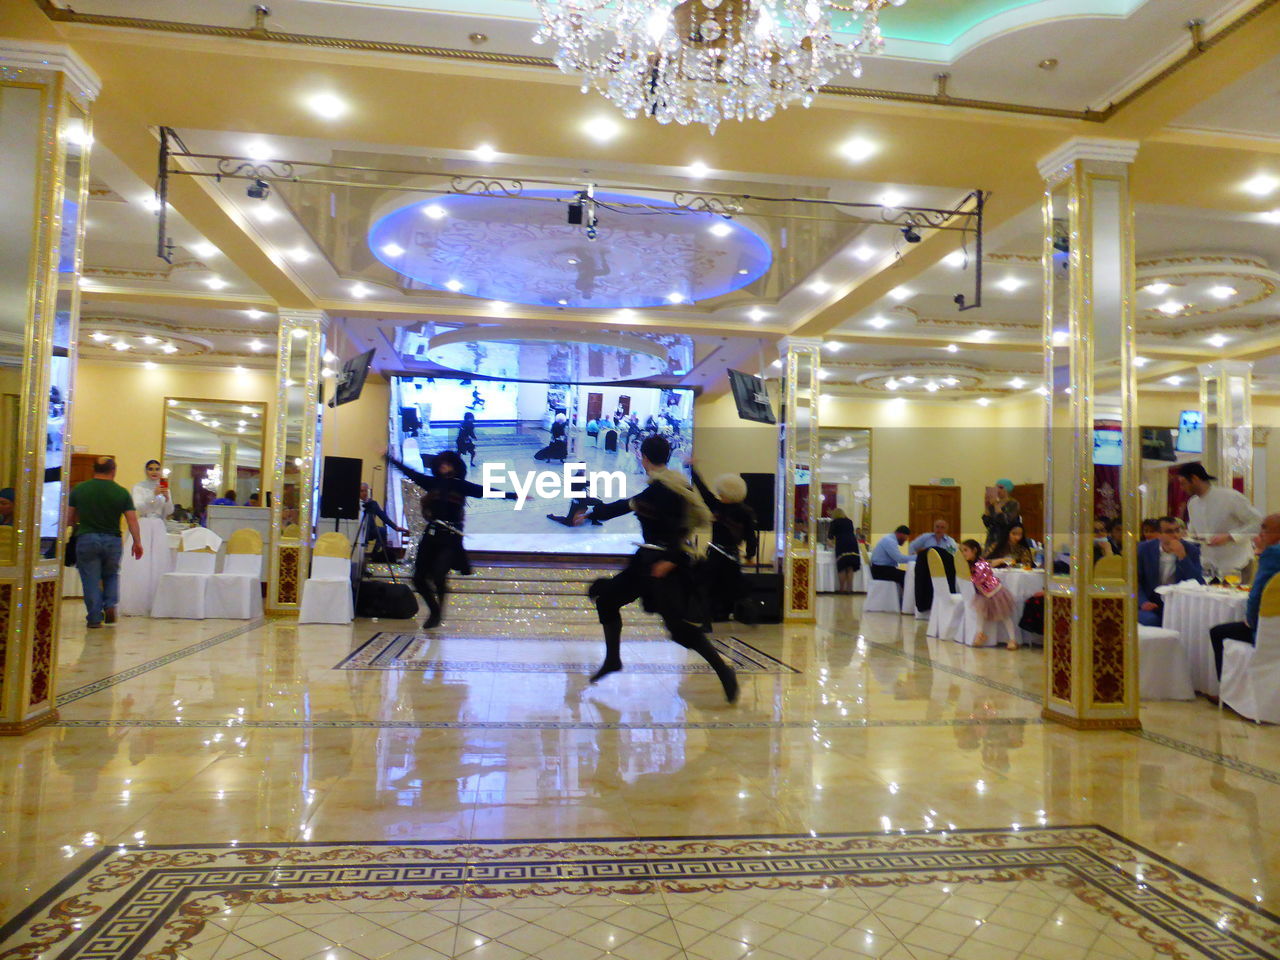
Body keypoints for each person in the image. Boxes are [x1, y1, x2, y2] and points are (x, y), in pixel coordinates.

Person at [585, 436, 738, 703]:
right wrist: (590, 515)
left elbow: (678, 529)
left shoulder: (667, 490)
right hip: (648, 563)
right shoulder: (663, 486)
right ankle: (612, 660)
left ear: (643, 457)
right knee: (607, 599)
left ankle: (725, 671)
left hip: (665, 565)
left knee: (679, 629)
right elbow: (628, 504)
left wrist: (672, 560)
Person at [384, 449, 516, 629]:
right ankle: (435, 610)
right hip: (431, 535)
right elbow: (409, 472)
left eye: (448, 463)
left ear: (455, 466)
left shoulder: (461, 485)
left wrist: (515, 495)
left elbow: (487, 491)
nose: (444, 466)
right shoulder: (432, 483)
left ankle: (437, 613)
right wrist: (388, 457)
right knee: (418, 578)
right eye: (441, 464)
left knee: (439, 574)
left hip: (450, 538)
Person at [67, 457, 143, 629]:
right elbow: (132, 520)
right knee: (111, 574)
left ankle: (94, 617)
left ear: (94, 470)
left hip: (87, 538)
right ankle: (110, 605)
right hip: (113, 539)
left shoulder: (80, 489)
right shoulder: (121, 492)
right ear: (113, 470)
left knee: (90, 579)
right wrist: (137, 542)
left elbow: (68, 518)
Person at [1209, 514, 1280, 679]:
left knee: (1217, 632)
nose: (1260, 533)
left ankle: (1226, 691)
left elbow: (1258, 593)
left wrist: (1251, 621)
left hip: (1271, 629)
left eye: (1265, 529)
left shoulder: (1273, 553)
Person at [691, 467, 758, 621]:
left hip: (716, 555)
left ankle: (707, 621)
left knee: (707, 588)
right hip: (732, 556)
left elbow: (704, 491)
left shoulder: (717, 506)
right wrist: (750, 554)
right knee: (734, 588)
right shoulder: (746, 512)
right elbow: (751, 536)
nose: (719, 494)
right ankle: (748, 611)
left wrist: (693, 470)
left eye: (721, 492)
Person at [1179, 463, 1262, 580]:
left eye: (1183, 483)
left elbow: (1258, 523)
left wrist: (1229, 536)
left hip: (1236, 564)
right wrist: (1186, 535)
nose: (1182, 488)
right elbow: (1194, 531)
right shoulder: (1192, 503)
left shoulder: (1230, 497)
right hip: (1208, 566)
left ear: (1195, 479)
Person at [119, 459, 175, 616]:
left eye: (157, 469)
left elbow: (169, 511)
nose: (154, 471)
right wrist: (153, 495)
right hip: (143, 524)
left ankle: (156, 602)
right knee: (141, 563)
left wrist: (167, 498)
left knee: (158, 561)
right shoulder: (139, 487)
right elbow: (138, 507)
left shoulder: (165, 488)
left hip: (158, 526)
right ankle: (137, 602)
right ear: (146, 471)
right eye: (151, 469)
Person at [1137, 516, 1203, 627]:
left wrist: (1183, 557)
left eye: (1177, 530)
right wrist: (1143, 602)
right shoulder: (1144, 549)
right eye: (1169, 532)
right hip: (1151, 601)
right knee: (1151, 620)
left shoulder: (1191, 550)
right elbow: (1134, 581)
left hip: (1179, 603)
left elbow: (1199, 582)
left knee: (1195, 622)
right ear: (1158, 534)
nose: (1175, 535)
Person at [959, 539, 1019, 650]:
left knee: (1004, 615)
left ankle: (1012, 639)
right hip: (983, 594)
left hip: (995, 592)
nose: (964, 553)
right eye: (962, 551)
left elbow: (978, 579)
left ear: (974, 550)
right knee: (980, 614)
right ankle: (980, 634)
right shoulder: (971, 565)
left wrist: (967, 575)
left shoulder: (981, 564)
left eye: (966, 550)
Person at [360, 481, 408, 558]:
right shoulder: (355, 503)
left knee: (383, 530)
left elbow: (383, 516)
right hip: (359, 529)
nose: (364, 493)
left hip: (370, 530)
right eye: (362, 491)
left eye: (366, 491)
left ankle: (375, 554)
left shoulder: (372, 503)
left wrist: (395, 527)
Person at [826, 508, 860, 594]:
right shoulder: (849, 521)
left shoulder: (834, 522)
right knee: (850, 567)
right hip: (853, 543)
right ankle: (850, 589)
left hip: (842, 544)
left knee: (842, 567)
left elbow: (830, 537)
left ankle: (842, 589)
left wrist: (833, 545)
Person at [982, 480, 1021, 550]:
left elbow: (1005, 521)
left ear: (1007, 490)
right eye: (996, 487)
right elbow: (987, 523)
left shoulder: (1013, 504)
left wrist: (996, 505)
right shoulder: (993, 504)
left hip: (1006, 540)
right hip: (992, 540)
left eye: (1000, 487)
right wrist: (986, 506)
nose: (998, 490)